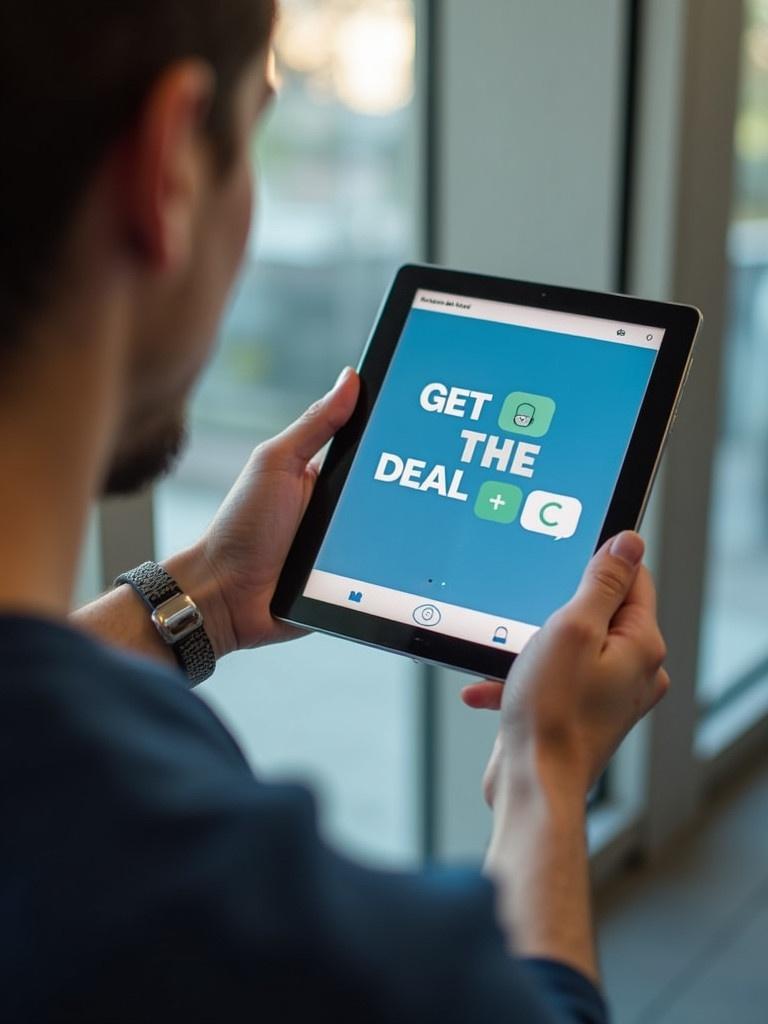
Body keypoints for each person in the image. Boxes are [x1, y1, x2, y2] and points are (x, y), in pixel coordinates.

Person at [0, 2, 669, 1021]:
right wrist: (546, 770)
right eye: (254, 134)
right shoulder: (239, 921)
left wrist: (208, 598)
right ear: (171, 163)